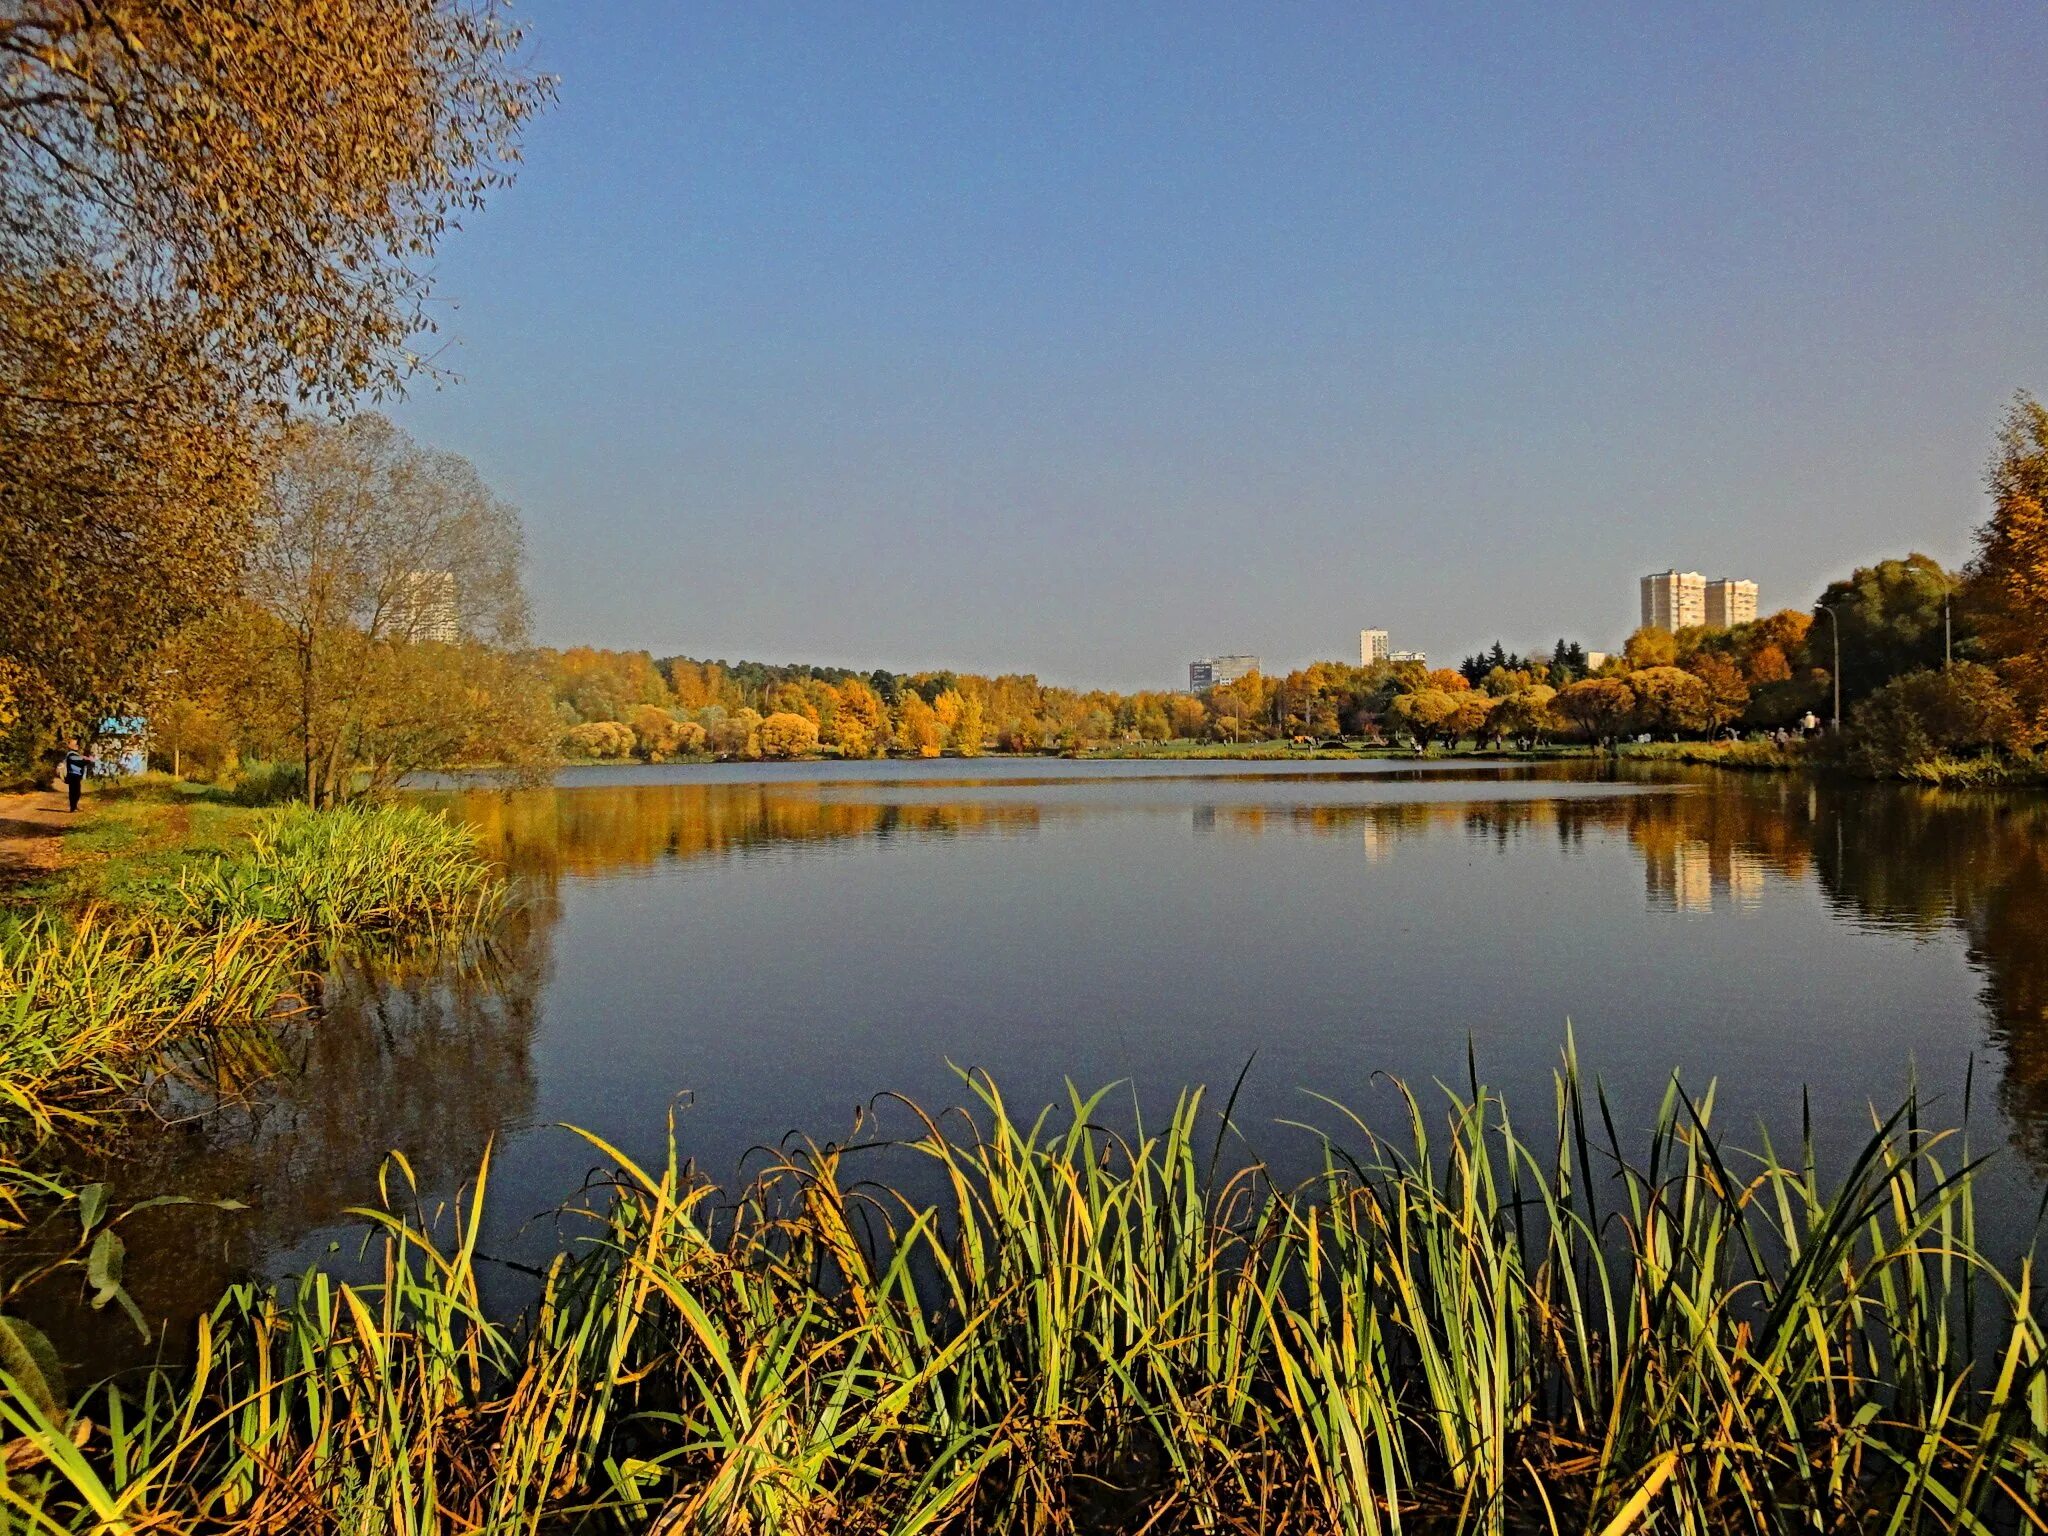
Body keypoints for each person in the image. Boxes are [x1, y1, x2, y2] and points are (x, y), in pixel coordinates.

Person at [57, 737, 97, 812]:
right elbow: (80, 762)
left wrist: (87, 759)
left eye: (77, 744)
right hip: (73, 776)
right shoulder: (71, 754)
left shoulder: (75, 754)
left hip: (76, 776)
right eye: (75, 744)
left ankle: (74, 806)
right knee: (74, 792)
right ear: (70, 746)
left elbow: (81, 760)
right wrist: (88, 760)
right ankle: (73, 807)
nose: (77, 746)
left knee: (76, 792)